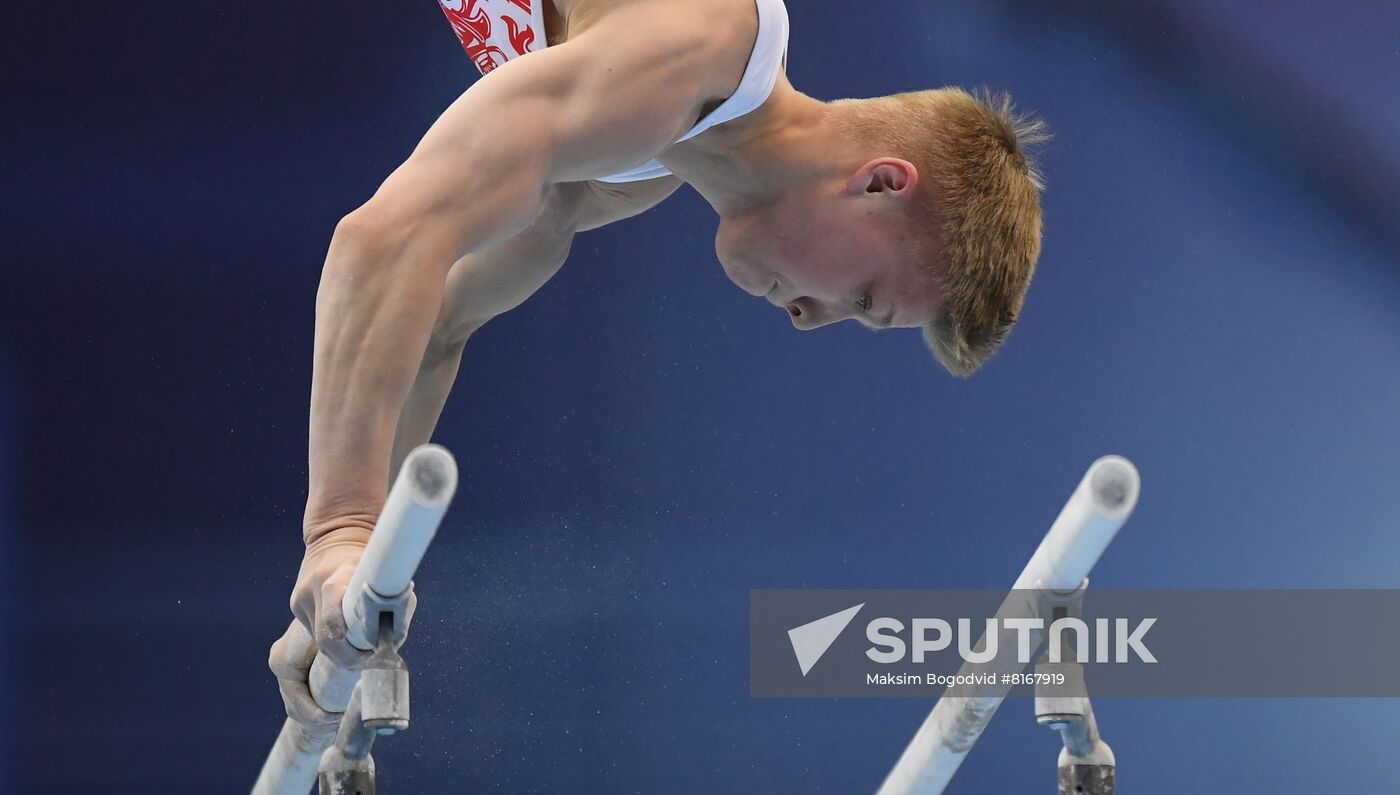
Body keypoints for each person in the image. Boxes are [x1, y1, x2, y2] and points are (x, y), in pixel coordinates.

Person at [268, 0, 1048, 728]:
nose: (813, 318)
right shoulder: (692, 39)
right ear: (879, 183)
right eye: (866, 297)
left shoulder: (618, 173)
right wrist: (340, 525)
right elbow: (384, 239)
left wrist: (354, 588)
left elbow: (434, 319)